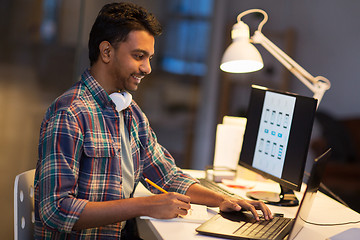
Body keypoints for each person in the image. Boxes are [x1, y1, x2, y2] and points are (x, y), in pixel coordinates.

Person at [34, 2, 272, 239]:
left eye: (149, 58)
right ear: (106, 52)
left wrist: (225, 199)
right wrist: (146, 205)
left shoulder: (130, 112)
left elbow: (167, 176)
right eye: (139, 56)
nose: (147, 68)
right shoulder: (69, 113)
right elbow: (55, 210)